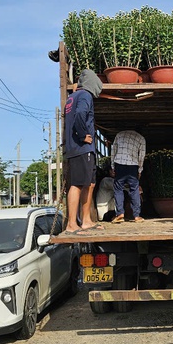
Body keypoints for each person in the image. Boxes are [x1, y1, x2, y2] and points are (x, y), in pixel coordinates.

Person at [61, 69, 104, 234]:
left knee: (89, 183)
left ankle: (86, 220)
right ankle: (72, 223)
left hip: (77, 148)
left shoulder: (72, 97)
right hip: (81, 147)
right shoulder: (85, 95)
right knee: (78, 184)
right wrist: (83, 134)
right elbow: (80, 114)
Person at [110, 130, 146, 223]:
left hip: (119, 163)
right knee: (134, 189)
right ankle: (137, 216)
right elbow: (141, 155)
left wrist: (113, 166)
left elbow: (113, 150)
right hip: (133, 165)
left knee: (118, 189)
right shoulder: (141, 138)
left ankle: (120, 214)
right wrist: (140, 169)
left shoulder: (119, 134)